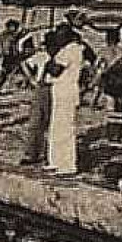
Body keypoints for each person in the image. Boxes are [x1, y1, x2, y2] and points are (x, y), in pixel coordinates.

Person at [46, 24, 85, 175]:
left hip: (66, 90)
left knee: (66, 128)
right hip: (61, 90)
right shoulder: (68, 49)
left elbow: (54, 70)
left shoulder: (71, 49)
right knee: (56, 127)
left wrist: (51, 59)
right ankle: (55, 161)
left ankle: (67, 164)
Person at [17, 33, 56, 167]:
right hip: (41, 87)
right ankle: (32, 153)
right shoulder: (41, 56)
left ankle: (48, 154)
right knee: (36, 121)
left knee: (51, 123)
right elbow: (24, 63)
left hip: (56, 88)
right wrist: (31, 79)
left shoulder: (62, 57)